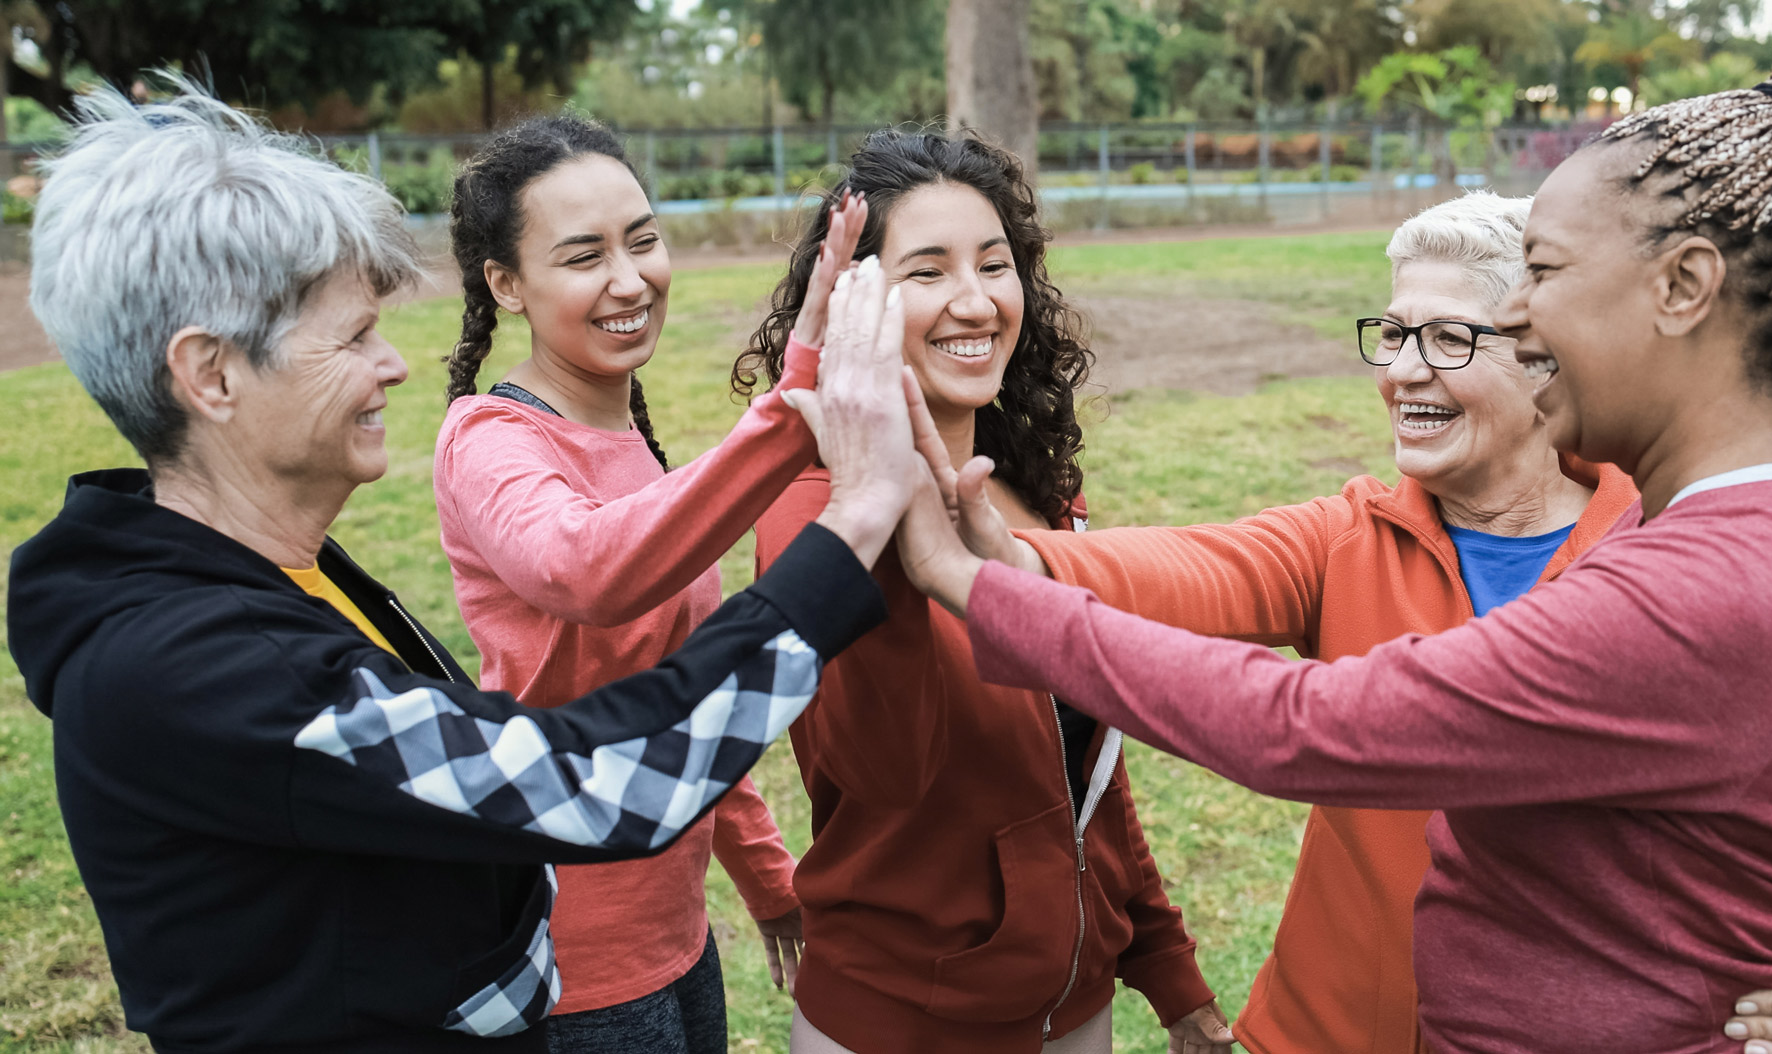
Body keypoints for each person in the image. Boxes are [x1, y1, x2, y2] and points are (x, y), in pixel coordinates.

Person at [896, 58, 1772, 1053]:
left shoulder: (1693, 577)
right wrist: (1022, 566)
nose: (1521, 320)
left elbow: (1300, 726)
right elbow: (1183, 569)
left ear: (1680, 288)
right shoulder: (1737, 518)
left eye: (1527, 285)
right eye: (1390, 334)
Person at [6, 80, 921, 1052]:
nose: (393, 366)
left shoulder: (271, 586)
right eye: (353, 336)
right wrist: (852, 523)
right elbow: (611, 782)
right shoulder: (202, 665)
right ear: (211, 375)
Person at [736, 129, 1233, 1054]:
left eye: (994, 264)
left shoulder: (1034, 485)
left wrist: (1165, 969)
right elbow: (880, 772)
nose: (975, 301)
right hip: (904, 1021)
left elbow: (1088, 764)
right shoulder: (814, 517)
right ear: (856, 306)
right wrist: (882, 520)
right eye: (927, 271)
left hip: (1077, 1008)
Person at [431, 114, 869, 1052]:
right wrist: (791, 409)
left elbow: (683, 686)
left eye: (643, 240)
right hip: (569, 957)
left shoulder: (633, 441)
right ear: (505, 284)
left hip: (675, 937)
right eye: (584, 256)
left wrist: (765, 876)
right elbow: (589, 569)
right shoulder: (489, 441)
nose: (630, 281)